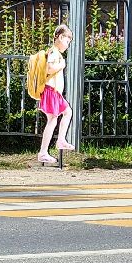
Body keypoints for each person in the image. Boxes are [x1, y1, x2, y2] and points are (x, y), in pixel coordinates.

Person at [37, 24, 75, 165]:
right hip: (50, 91)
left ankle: (60, 140)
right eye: (67, 41)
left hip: (54, 93)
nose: (68, 45)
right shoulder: (53, 52)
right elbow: (49, 69)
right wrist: (61, 65)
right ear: (60, 37)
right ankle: (43, 152)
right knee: (53, 120)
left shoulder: (56, 53)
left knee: (67, 112)